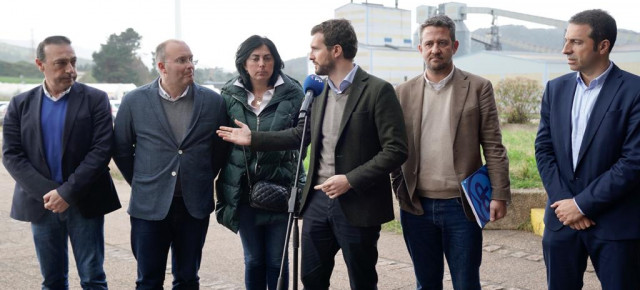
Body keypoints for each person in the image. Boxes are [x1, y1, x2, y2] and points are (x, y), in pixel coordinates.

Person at [217, 19, 408, 289]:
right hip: (316, 201)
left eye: (315, 48)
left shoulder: (378, 90)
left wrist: (350, 179)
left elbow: (396, 149)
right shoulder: (316, 91)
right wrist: (254, 139)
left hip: (358, 203)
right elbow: (300, 136)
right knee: (311, 279)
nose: (310, 55)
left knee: (362, 280)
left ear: (336, 50)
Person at [392, 15, 510, 289]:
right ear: (420, 48)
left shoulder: (478, 87)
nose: (436, 49)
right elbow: (392, 148)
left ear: (454, 46)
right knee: (426, 283)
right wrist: (398, 187)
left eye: (442, 43)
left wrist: (500, 194)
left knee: (466, 282)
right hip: (416, 206)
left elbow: (493, 145)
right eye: (429, 43)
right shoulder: (402, 93)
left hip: (462, 206)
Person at [2, 35, 121, 289]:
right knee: (52, 280)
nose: (71, 70)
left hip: (85, 201)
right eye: (61, 63)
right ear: (40, 64)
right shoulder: (20, 104)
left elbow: (101, 150)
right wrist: (50, 194)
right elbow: (11, 154)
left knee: (93, 279)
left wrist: (66, 192)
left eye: (73, 62)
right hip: (42, 205)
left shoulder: (95, 99)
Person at [535, 9, 640, 289]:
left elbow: (633, 162)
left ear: (603, 46)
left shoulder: (634, 91)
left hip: (615, 224)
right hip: (562, 222)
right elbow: (544, 150)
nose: (565, 49)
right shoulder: (555, 89)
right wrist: (565, 204)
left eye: (576, 42)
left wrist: (582, 205)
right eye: (566, 40)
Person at [113, 39, 229, 289]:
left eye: (191, 59)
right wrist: (145, 181)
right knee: (148, 280)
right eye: (182, 60)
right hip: (148, 208)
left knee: (188, 279)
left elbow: (219, 149)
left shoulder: (213, 102)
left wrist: (200, 177)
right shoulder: (134, 101)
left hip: (193, 207)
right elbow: (121, 150)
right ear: (162, 66)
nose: (190, 65)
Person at [215, 35, 306, 290]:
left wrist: (254, 139)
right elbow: (218, 140)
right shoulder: (229, 95)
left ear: (276, 62)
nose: (261, 64)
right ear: (244, 63)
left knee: (277, 262)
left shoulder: (294, 93)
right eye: (255, 58)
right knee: (254, 260)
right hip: (242, 191)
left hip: (280, 189)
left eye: (267, 58)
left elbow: (302, 139)